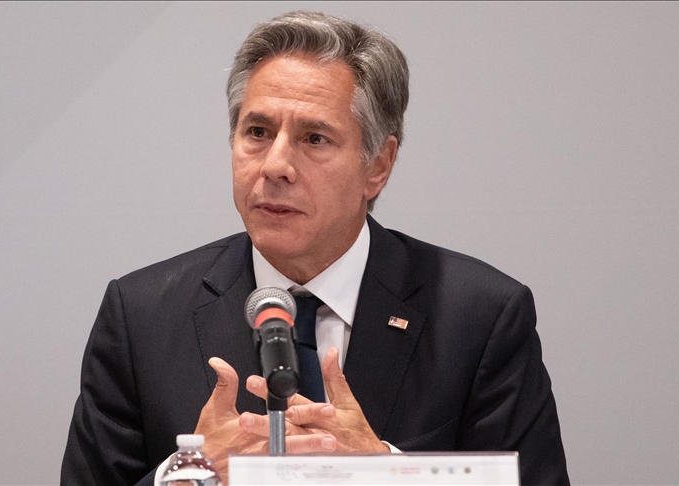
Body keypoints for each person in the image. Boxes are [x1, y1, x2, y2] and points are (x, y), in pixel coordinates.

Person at [61, 10, 569, 486]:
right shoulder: (142, 316)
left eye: (314, 139)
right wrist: (187, 478)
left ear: (378, 166)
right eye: (257, 131)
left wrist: (387, 474)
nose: (275, 165)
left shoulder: (479, 319)